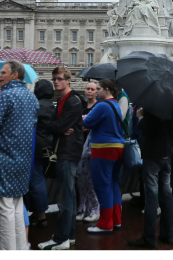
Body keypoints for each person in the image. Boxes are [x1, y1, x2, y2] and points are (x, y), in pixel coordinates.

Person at [0, 60, 38, 250]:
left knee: (3, 214)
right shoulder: (31, 97)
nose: (0, 76)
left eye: (3, 73)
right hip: (21, 160)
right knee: (17, 210)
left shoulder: (6, 95)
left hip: (2, 160)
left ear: (15, 75)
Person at [38, 67, 85, 250]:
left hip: (68, 151)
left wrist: (56, 127)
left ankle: (61, 238)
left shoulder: (73, 101)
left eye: (59, 79)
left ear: (68, 81)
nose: (56, 82)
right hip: (66, 150)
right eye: (54, 79)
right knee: (69, 196)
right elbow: (55, 125)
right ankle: (69, 235)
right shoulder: (62, 99)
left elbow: (54, 125)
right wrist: (56, 127)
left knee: (65, 197)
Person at [128, 109, 173, 249]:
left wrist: (141, 117)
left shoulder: (151, 107)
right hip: (166, 154)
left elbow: (148, 130)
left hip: (152, 155)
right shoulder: (170, 108)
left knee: (151, 196)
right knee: (166, 195)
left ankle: (149, 237)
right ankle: (168, 233)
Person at [82, 79, 126, 233]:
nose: (96, 91)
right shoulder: (115, 105)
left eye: (98, 89)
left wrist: (84, 119)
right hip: (118, 148)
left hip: (103, 148)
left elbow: (87, 123)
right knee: (113, 185)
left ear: (107, 90)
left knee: (102, 186)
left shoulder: (101, 105)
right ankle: (116, 220)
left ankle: (105, 224)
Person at [26, 79, 55, 228]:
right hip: (48, 146)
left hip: (36, 146)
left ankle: (41, 215)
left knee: (36, 181)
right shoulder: (51, 105)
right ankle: (38, 213)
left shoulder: (37, 105)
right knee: (41, 179)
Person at [76, 81, 100, 223]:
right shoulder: (82, 106)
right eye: (88, 89)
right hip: (80, 145)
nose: (89, 91)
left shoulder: (98, 107)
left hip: (92, 147)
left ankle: (94, 208)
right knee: (80, 179)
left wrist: (88, 127)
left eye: (92, 89)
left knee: (91, 180)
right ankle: (82, 207)